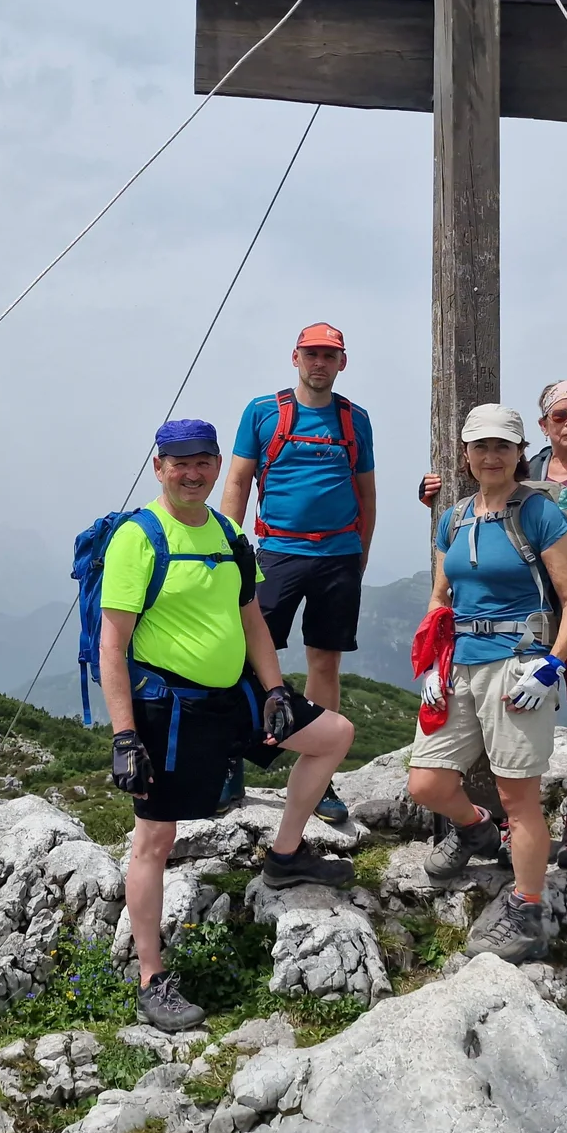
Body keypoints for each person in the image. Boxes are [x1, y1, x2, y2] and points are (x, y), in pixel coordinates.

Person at [101, 418, 357, 1031]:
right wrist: (124, 735)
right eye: (178, 463)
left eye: (202, 462)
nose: (191, 474)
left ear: (218, 465)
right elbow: (115, 645)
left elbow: (253, 622)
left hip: (236, 695)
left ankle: (285, 854)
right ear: (158, 467)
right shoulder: (138, 538)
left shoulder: (228, 531)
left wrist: (274, 690)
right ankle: (151, 977)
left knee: (333, 736)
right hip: (169, 710)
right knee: (154, 843)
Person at [417, 381, 567, 869]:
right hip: (508, 630)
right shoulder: (507, 487)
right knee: (489, 740)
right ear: (543, 426)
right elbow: (469, 549)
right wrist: (436, 497)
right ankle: (491, 826)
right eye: (560, 415)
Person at [406, 404, 567, 964]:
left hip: (518, 664)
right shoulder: (455, 516)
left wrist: (552, 665)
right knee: (426, 784)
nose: (490, 457)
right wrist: (433, 666)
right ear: (465, 454)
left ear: (518, 453)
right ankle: (476, 829)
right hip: (459, 661)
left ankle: (527, 908)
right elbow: (441, 597)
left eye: (502, 447)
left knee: (519, 797)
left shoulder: (539, 514)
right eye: (480, 447)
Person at [220, 323, 376, 824]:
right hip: (277, 554)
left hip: (338, 557)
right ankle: (229, 761)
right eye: (312, 354)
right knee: (244, 658)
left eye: (329, 356)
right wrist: (230, 549)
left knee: (324, 663)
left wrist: (360, 556)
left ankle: (319, 776)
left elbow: (365, 493)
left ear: (342, 363)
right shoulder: (263, 412)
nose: (320, 363)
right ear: (295, 357)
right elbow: (239, 480)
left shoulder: (356, 420)